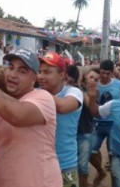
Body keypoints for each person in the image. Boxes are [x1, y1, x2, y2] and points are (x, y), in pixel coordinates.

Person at [0, 48, 62, 187]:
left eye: (22, 71)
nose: (13, 74)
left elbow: (16, 115)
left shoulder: (43, 98)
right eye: (11, 67)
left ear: (34, 78)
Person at [37, 52, 83, 187]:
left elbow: (63, 107)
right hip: (39, 163)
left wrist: (35, 93)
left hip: (65, 164)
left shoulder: (73, 92)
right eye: (39, 72)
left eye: (47, 72)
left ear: (62, 74)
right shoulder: (35, 92)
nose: (40, 76)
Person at [90, 59, 120, 186]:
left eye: (107, 73)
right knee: (90, 152)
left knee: (113, 157)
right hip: (97, 124)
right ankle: (101, 172)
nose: (104, 76)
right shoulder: (94, 84)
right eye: (102, 72)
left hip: (114, 125)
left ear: (112, 72)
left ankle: (114, 183)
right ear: (100, 71)